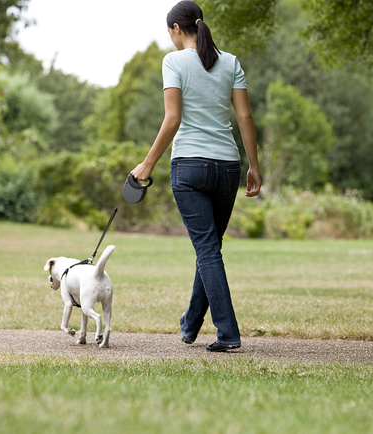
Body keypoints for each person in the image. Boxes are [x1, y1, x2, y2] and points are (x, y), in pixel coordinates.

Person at [131, 0, 261, 352]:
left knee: (207, 250)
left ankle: (228, 334)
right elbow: (245, 118)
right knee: (210, 249)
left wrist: (147, 164)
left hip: (188, 165)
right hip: (227, 167)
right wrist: (254, 165)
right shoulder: (230, 62)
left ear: (176, 29)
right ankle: (190, 324)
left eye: (169, 33)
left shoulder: (173, 61)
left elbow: (172, 119)